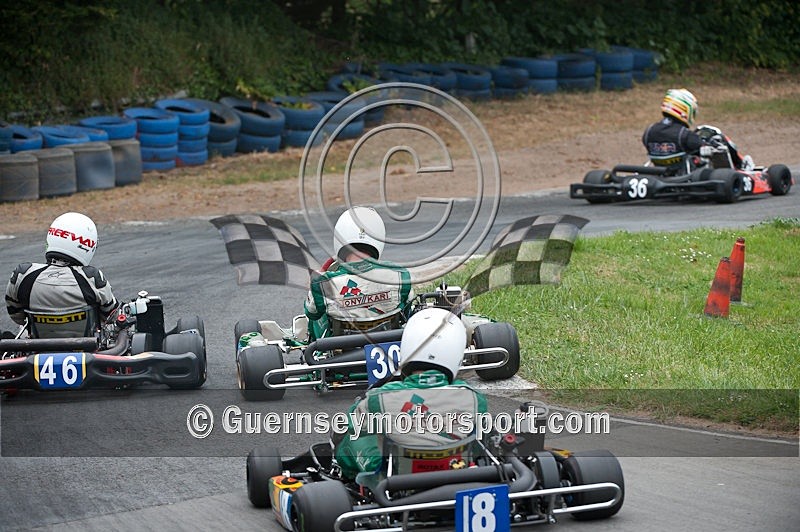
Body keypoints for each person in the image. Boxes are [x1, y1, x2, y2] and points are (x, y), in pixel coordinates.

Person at [334, 308, 488, 484]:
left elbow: (346, 437)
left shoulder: (379, 398)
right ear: (457, 355)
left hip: (397, 485)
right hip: (456, 475)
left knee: (350, 436)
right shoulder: (474, 398)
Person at [304, 206, 415, 341]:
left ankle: (315, 349)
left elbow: (312, 313)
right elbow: (409, 309)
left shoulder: (323, 284)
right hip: (388, 340)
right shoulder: (399, 275)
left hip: (340, 347)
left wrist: (314, 284)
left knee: (320, 309)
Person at [5, 212, 118, 337]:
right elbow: (111, 315)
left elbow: (17, 316)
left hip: (37, 347)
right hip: (88, 350)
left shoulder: (23, 275)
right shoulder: (91, 277)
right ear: (87, 244)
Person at [642, 88, 753, 173]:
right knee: (717, 137)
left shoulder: (648, 132)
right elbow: (704, 147)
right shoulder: (684, 135)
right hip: (686, 176)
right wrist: (714, 144)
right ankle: (742, 165)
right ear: (685, 109)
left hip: (660, 173)